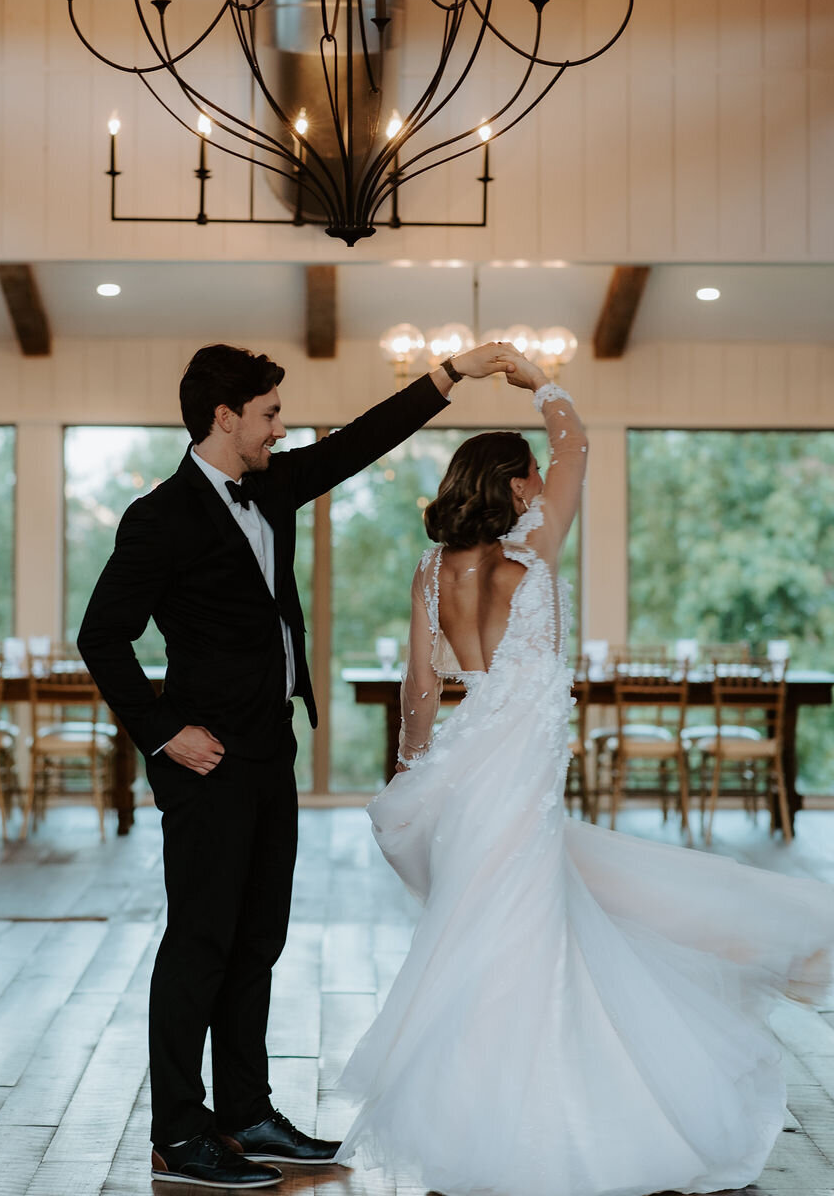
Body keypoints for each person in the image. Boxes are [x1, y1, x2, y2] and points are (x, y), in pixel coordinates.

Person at [338, 341, 834, 1196]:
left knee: (473, 924)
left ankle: (480, 1120)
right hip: (523, 771)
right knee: (527, 923)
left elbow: (422, 691)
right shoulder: (537, 551)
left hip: (469, 762)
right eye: (531, 476)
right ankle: (559, 1117)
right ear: (517, 485)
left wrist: (411, 774)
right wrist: (539, 381)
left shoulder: (432, 570)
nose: (540, 484)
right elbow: (578, 445)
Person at [78, 338, 508, 1188]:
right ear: (224, 416)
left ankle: (246, 1114)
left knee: (258, 942)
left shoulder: (270, 486)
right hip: (205, 763)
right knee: (200, 942)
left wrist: (450, 374)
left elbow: (359, 443)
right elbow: (102, 637)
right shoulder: (159, 516)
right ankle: (179, 1131)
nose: (282, 427)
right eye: (270, 414)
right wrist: (166, 732)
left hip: (272, 749)